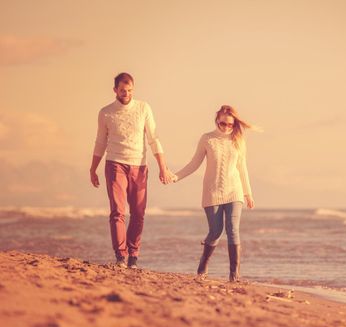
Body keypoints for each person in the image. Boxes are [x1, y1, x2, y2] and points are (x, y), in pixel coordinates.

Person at [89, 72, 173, 269]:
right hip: (115, 163)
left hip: (139, 166)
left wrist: (163, 167)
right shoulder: (106, 113)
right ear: (115, 90)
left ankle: (133, 255)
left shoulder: (144, 108)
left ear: (133, 89)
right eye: (122, 91)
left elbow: (153, 138)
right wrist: (93, 168)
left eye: (129, 91)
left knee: (138, 212)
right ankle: (120, 256)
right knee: (117, 211)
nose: (126, 94)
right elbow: (100, 141)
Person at [172, 105, 255, 282]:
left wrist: (248, 193)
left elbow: (242, 168)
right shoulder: (207, 139)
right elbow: (194, 163)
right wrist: (175, 177)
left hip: (235, 191)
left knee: (233, 229)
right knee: (216, 231)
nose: (226, 127)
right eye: (223, 124)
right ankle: (203, 263)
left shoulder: (238, 140)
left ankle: (235, 275)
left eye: (230, 125)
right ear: (217, 120)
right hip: (212, 191)